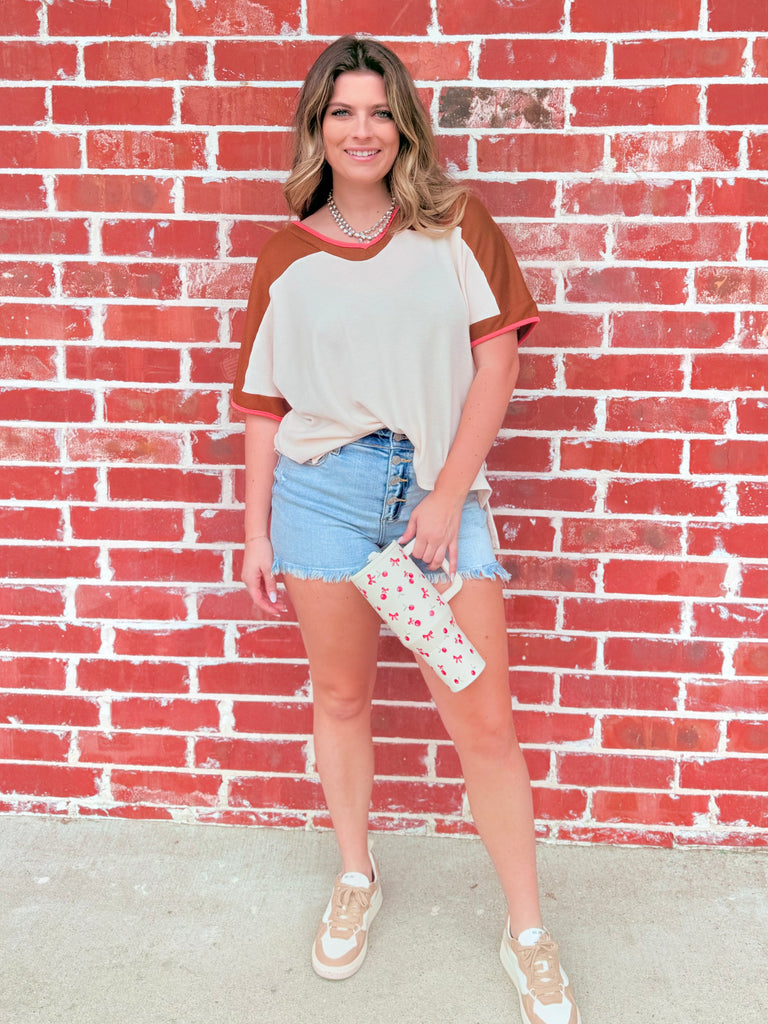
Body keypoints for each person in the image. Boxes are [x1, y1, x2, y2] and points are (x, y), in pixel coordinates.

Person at [231, 35, 581, 1024]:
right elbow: (264, 404)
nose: (362, 129)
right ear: (318, 127)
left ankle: (529, 936)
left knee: (487, 723)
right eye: (342, 111)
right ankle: (357, 874)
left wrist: (445, 494)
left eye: (380, 110)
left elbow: (500, 362)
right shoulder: (286, 255)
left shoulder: (457, 223)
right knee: (341, 700)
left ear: (405, 125)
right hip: (323, 500)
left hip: (438, 499)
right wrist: (257, 529)